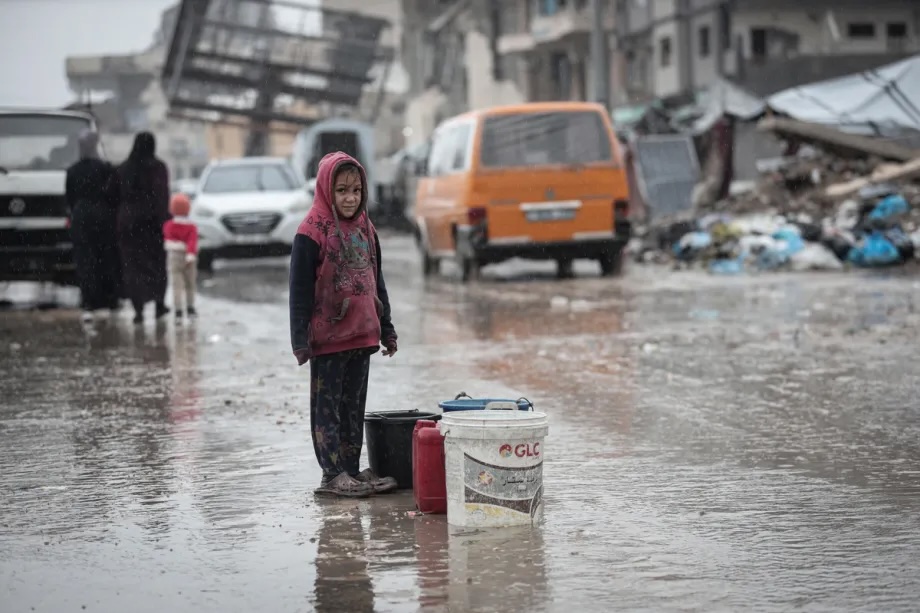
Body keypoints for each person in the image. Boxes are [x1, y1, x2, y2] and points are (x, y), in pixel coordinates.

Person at [289, 152, 399, 498]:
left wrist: (387, 327)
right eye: (341, 191)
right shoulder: (311, 232)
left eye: (355, 190)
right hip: (328, 338)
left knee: (354, 407)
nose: (350, 198)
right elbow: (299, 291)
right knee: (328, 409)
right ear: (325, 190)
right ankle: (331, 473)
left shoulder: (367, 229)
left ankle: (351, 470)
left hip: (362, 335)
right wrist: (300, 340)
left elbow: (376, 280)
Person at [65, 129, 122, 322]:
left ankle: (90, 301)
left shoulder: (73, 171)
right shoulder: (105, 168)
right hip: (104, 217)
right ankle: (110, 299)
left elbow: (70, 198)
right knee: (106, 257)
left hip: (81, 218)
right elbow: (115, 195)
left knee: (85, 260)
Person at [117, 132, 171, 324]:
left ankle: (138, 309)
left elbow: (113, 196)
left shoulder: (123, 169)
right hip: (152, 225)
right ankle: (159, 303)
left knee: (133, 267)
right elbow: (162, 196)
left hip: (129, 226)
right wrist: (164, 221)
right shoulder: (158, 168)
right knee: (156, 265)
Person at [163, 193, 199, 323]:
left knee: (176, 286)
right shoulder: (191, 227)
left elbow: (167, 239)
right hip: (188, 258)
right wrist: (190, 254)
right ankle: (190, 309)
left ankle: (178, 312)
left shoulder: (168, 225)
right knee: (190, 285)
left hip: (173, 256)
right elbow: (192, 242)